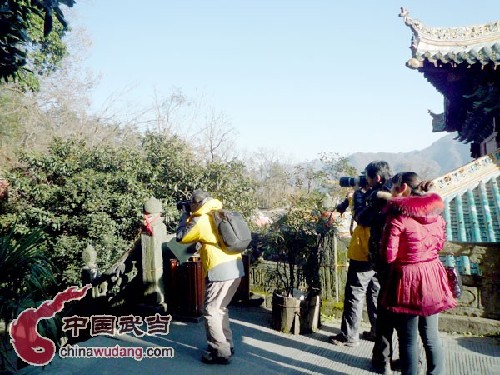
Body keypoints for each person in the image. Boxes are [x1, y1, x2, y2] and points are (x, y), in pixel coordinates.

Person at [381, 172, 457, 375]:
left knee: (408, 339)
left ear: (402, 187)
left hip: (407, 279)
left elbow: (388, 255)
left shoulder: (398, 218)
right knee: (431, 336)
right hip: (432, 274)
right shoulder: (437, 216)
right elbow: (439, 245)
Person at [176, 189, 245, 365]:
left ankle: (219, 352)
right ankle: (227, 344)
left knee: (211, 311)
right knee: (220, 308)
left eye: (191, 203)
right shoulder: (220, 213)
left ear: (197, 204)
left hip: (220, 270)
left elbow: (181, 237)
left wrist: (184, 215)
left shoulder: (202, 219)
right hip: (236, 267)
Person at [355, 161, 395, 375]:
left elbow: (362, 219)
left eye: (368, 177)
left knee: (385, 311)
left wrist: (360, 197)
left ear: (376, 179)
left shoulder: (378, 198)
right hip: (409, 268)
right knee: (409, 322)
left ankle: (382, 361)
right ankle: (412, 364)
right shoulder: (404, 199)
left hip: (384, 261)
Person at [330, 178, 380, 347]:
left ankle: (349, 336)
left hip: (362, 253)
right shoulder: (384, 197)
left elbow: (359, 217)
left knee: (354, 294)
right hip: (380, 254)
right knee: (375, 294)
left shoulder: (360, 196)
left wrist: (355, 195)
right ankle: (377, 331)